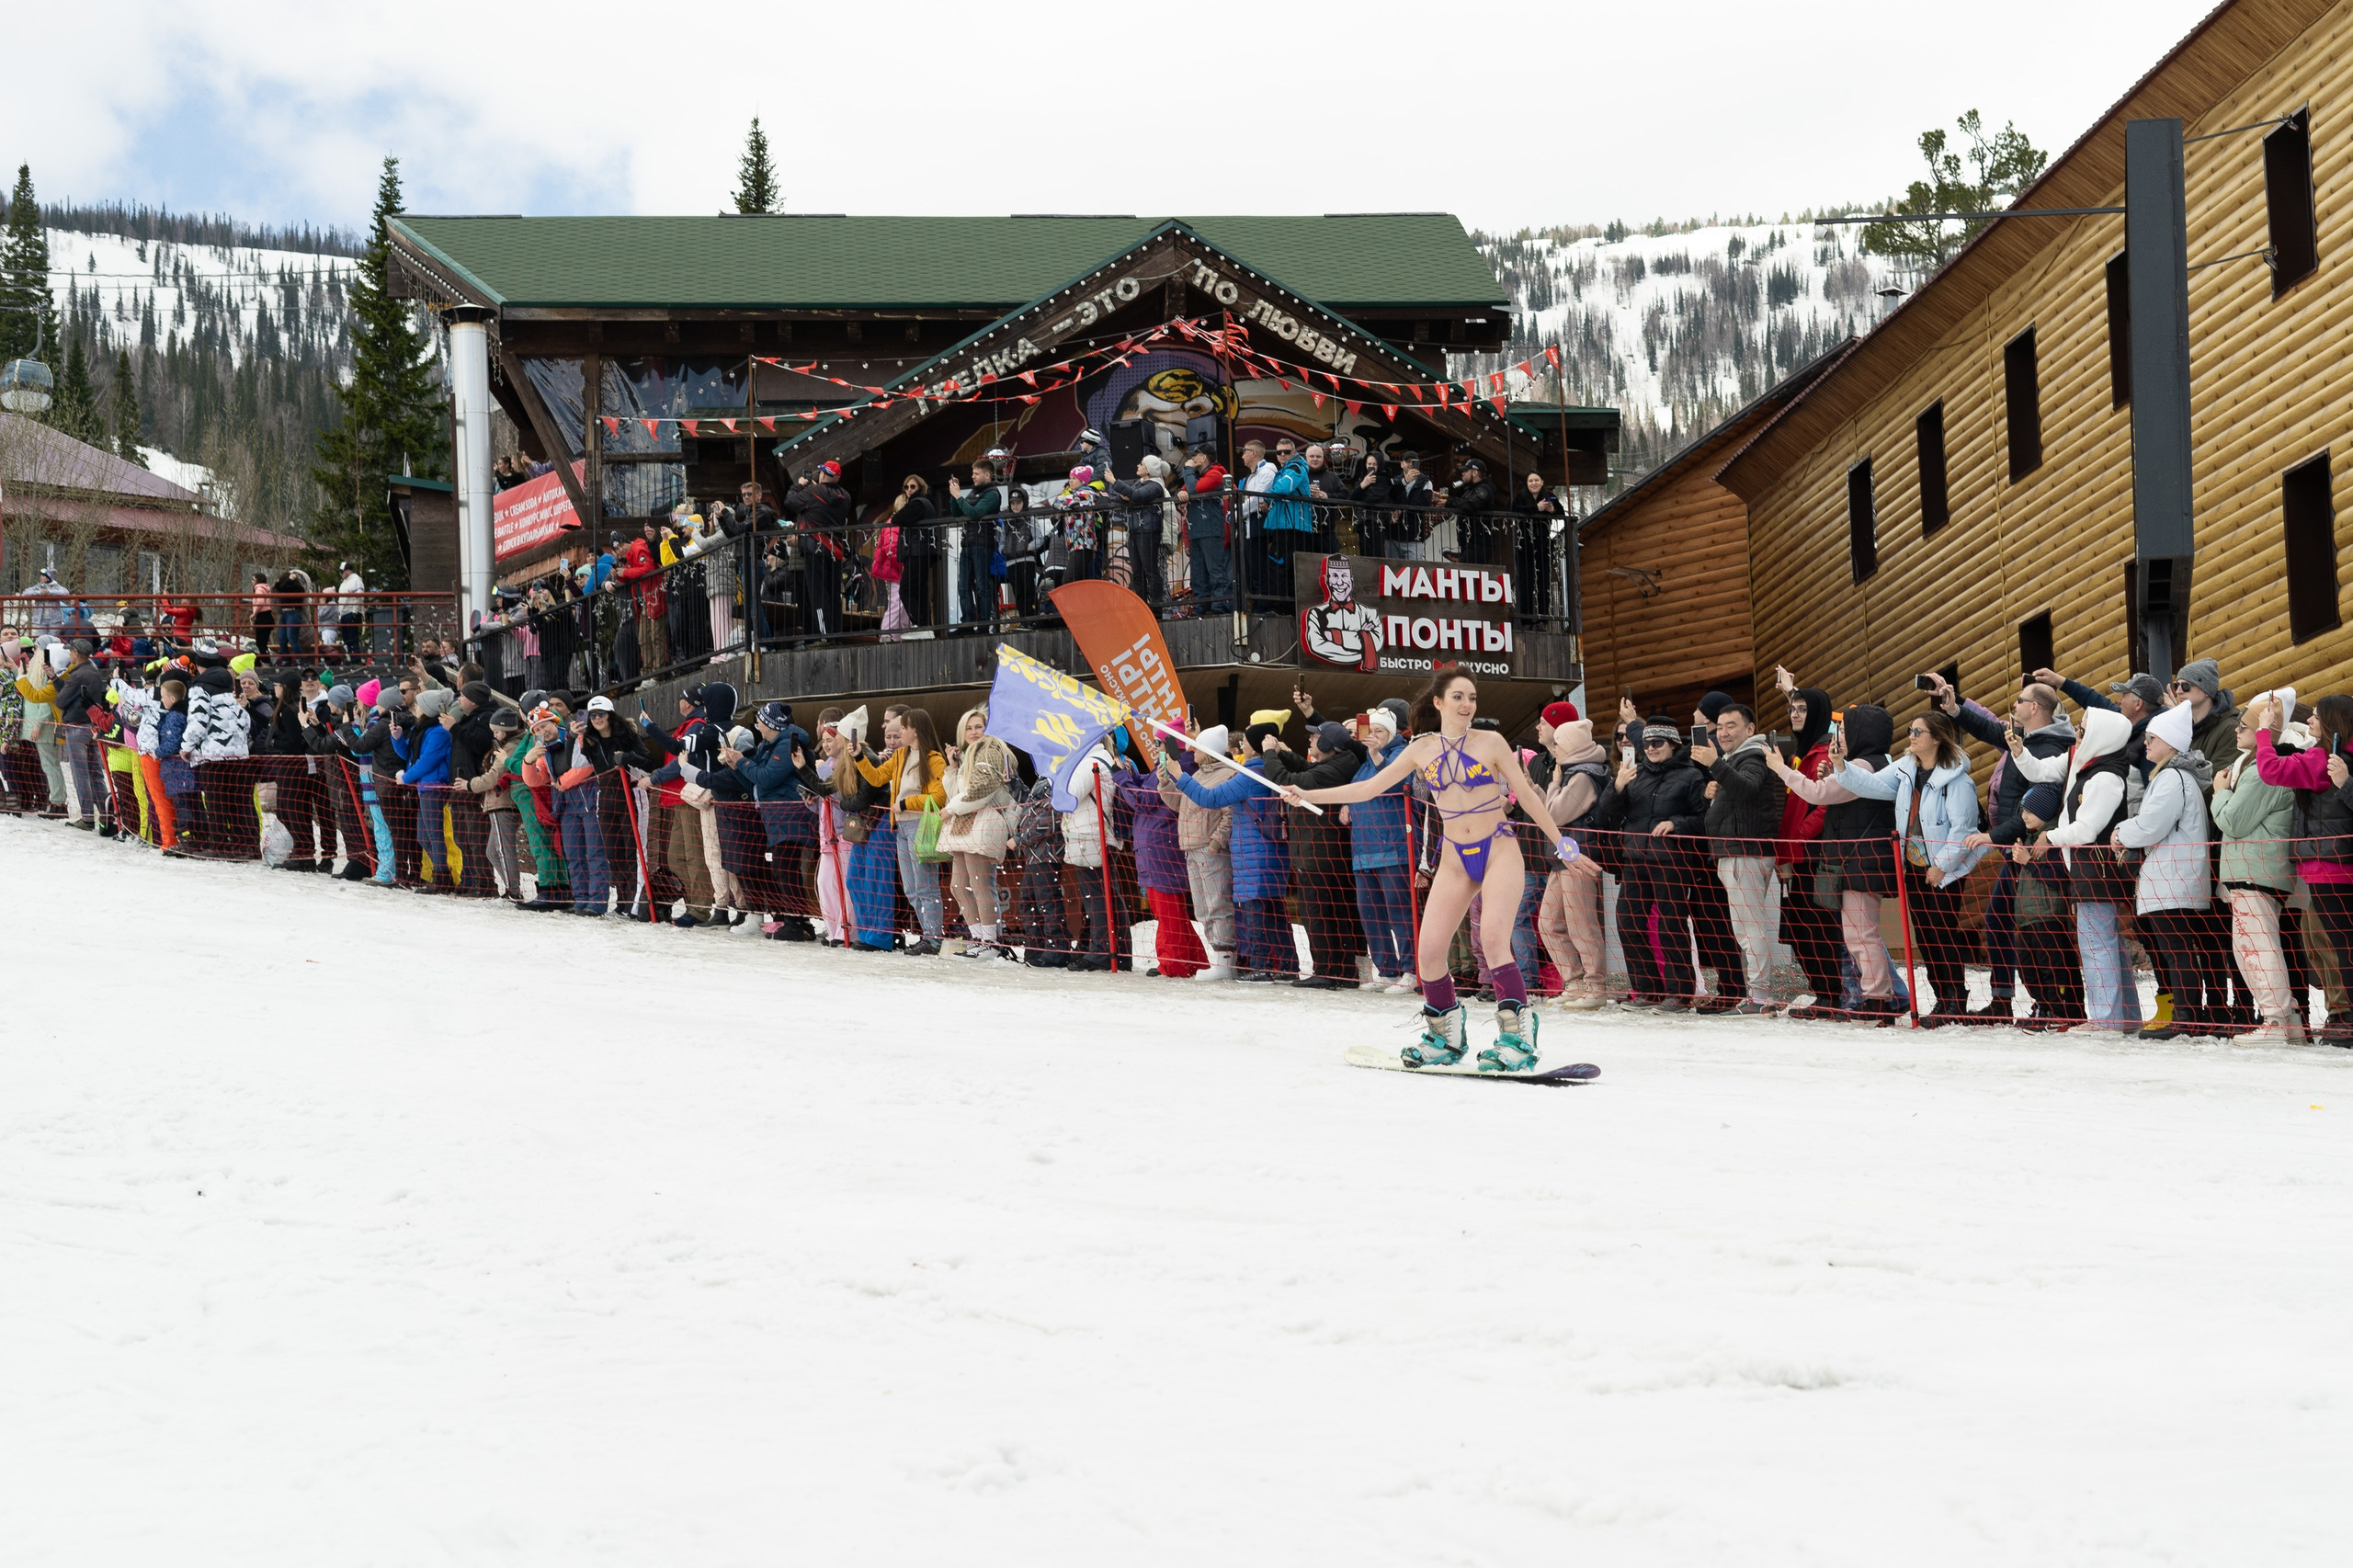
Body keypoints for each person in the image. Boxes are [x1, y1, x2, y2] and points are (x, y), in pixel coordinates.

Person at [1278, 669, 1577, 1073]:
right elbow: (1369, 788)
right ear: (1438, 703)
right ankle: (1444, 1034)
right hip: (1454, 855)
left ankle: (1517, 1037)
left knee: (1493, 939)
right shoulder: (1421, 749)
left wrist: (1561, 841)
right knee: (1429, 952)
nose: (1466, 705)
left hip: (1498, 849)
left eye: (1472, 697)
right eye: (1457, 697)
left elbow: (1524, 793)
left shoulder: (1491, 742)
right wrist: (1306, 794)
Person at [1826, 707, 1985, 1023]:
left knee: (1942, 932)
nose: (1910, 737)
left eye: (1917, 732)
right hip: (1913, 865)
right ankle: (1942, 999)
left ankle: (1956, 1001)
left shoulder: (1958, 781)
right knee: (1925, 934)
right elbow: (1870, 785)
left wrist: (1941, 865)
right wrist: (1840, 765)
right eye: (1910, 731)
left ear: (1937, 739)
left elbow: (1963, 828)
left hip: (1944, 869)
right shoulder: (1906, 768)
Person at [1946, 675, 2077, 1022]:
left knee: (2041, 929)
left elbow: (2039, 809)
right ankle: (2016, 1000)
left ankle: (2060, 1004)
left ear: (2035, 708)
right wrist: (1955, 706)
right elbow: (1990, 729)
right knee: (2004, 921)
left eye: (2019, 701)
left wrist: (1994, 837)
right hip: (2016, 849)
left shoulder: (2049, 747)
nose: (2013, 705)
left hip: (2032, 850)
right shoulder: (2027, 739)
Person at [1767, 705, 1904, 1023]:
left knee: (1861, 935)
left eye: (1847, 729)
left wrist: (1780, 768)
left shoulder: (1864, 765)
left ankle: (1878, 1001)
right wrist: (1835, 774)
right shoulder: (1877, 762)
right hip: (1861, 859)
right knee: (1860, 933)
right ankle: (1877, 998)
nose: (1842, 736)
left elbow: (1817, 794)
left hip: (1859, 861)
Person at [2029, 708, 2143, 1034]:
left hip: (2097, 870)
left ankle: (2106, 1019)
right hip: (2090, 869)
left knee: (2096, 943)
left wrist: (2050, 836)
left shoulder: (2105, 777)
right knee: (2106, 942)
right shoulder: (2092, 768)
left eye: (2083, 729)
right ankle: (2124, 1016)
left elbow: (2087, 829)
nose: (2077, 735)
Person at [2252, 690, 2353, 1044]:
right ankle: (2343, 1018)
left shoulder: (2326, 759)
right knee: (2332, 942)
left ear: (2331, 723)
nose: (2309, 720)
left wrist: (2263, 732)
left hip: (2330, 865)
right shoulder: (2330, 757)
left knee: (2341, 944)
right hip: (2331, 864)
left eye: (2316, 717)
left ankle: (2347, 1020)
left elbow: (2270, 769)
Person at [2114, 700, 2215, 1040]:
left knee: (2178, 950)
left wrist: (2121, 833)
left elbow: (2153, 824)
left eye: (2153, 738)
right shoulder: (2174, 776)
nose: (2146, 743)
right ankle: (2190, 1014)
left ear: (2171, 743)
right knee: (2179, 949)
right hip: (2176, 879)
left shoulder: (2172, 776)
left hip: (2174, 881)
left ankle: (2187, 1017)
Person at [2211, 699, 2307, 1044]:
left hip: (2255, 869)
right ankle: (2289, 1021)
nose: (2237, 730)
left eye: (2244, 725)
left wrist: (2219, 793)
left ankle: (2277, 1020)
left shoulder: (2263, 770)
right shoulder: (2258, 766)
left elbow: (2234, 820)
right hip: (2255, 869)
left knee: (2257, 947)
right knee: (2252, 946)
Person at [1175, 720, 1294, 983]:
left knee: (1253, 910)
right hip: (1269, 848)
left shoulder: (1249, 774)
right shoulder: (1274, 767)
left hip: (1252, 850)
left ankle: (1262, 965)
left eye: (1246, 742)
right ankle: (1286, 964)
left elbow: (1212, 799)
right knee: (1273, 909)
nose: (1242, 746)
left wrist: (1178, 773)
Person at [1689, 700, 1786, 1015]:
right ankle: (1757, 996)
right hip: (1734, 853)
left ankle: (1761, 997)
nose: (1724, 732)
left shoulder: (1754, 755)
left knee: (1750, 927)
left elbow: (1747, 788)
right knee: (1745, 926)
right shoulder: (1736, 759)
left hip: (1745, 852)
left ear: (1750, 729)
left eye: (1732, 725)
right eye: (1720, 726)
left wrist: (1716, 765)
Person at [1265, 721, 1369, 988]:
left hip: (1319, 853)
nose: (1310, 741)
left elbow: (1287, 781)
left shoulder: (1332, 771)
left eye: (1315, 738)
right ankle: (1341, 971)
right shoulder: (1338, 764)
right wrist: (1282, 753)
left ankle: (1328, 969)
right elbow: (1306, 768)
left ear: (1327, 745)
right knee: (1332, 912)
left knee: (1318, 912)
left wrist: (1268, 754)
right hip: (1321, 851)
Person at [853, 704, 949, 953]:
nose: (899, 733)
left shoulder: (934, 759)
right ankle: (928, 935)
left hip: (920, 824)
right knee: (910, 887)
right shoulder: (900, 757)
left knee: (925, 885)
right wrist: (858, 757)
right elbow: (876, 777)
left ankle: (933, 937)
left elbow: (939, 796)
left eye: (903, 728)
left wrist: (906, 802)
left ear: (915, 731)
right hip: (902, 826)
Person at [1537, 708, 1611, 1008]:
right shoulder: (1572, 771)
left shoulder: (1583, 775)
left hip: (1579, 855)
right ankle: (1575, 981)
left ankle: (1595, 986)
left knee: (1581, 923)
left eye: (1559, 744)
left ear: (1569, 746)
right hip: (1563, 855)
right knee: (1548, 923)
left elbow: (1554, 814)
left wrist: (1553, 784)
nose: (1555, 749)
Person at [1157, 725, 1238, 980]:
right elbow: (1180, 805)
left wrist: (1217, 841)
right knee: (1203, 906)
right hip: (1192, 847)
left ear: (1209, 751)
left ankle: (1227, 960)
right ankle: (1220, 957)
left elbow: (1230, 813)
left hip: (1210, 849)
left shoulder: (1227, 775)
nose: (1191, 750)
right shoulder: (1200, 774)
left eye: (1197, 747)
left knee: (1218, 903)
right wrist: (1164, 783)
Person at [938, 706, 1017, 959]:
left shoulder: (992, 750)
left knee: (981, 883)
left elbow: (982, 790)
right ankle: (979, 937)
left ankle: (991, 942)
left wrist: (951, 809)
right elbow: (956, 792)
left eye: (978, 726)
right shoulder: (970, 754)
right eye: (969, 727)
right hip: (965, 824)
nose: (973, 732)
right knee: (959, 885)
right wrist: (952, 768)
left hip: (983, 822)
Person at [945, 460, 1005, 629]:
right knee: (963, 586)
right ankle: (968, 623)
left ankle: (985, 624)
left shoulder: (993, 494)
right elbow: (957, 513)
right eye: (973, 473)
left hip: (982, 544)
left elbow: (975, 513)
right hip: (967, 544)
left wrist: (958, 496)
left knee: (982, 586)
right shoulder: (972, 493)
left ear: (987, 475)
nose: (973, 477)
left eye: (976, 474)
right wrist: (953, 494)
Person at [1110, 455, 1171, 608]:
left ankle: (1156, 607)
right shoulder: (1140, 483)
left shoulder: (1156, 485)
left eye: (1142, 464)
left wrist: (1114, 482)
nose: (1138, 465)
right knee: (1137, 572)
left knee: (1150, 570)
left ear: (1149, 470)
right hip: (1135, 530)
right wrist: (1126, 495)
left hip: (1148, 530)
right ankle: (1142, 606)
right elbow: (1122, 498)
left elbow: (1136, 496)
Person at [1181, 447, 1232, 616]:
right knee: (1198, 573)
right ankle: (1200, 608)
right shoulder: (1199, 476)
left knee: (1215, 570)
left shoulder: (1216, 474)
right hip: (1197, 528)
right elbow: (1184, 489)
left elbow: (1194, 489)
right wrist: (1182, 491)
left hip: (1210, 528)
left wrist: (1188, 470)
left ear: (1204, 458)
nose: (1191, 459)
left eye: (1194, 455)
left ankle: (1219, 606)